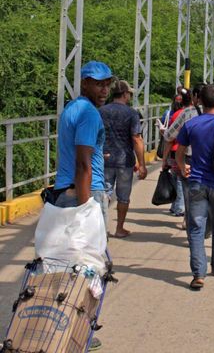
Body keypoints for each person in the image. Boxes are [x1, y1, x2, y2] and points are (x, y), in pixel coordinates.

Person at [54, 60, 113, 352]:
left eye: (107, 84)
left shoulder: (71, 108)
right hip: (85, 194)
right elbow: (83, 164)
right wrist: (86, 207)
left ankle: (59, 323)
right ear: (84, 83)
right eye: (97, 83)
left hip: (63, 192)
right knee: (90, 267)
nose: (103, 89)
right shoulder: (89, 114)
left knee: (67, 263)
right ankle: (80, 331)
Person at [176, 85, 214, 290]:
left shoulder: (191, 124)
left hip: (197, 182)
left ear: (199, 101)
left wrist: (183, 168)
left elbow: (179, 152)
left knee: (196, 229)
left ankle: (199, 274)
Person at [100, 79, 147, 239]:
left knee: (104, 193)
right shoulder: (131, 113)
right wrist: (142, 164)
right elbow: (136, 139)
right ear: (125, 94)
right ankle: (119, 228)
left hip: (104, 158)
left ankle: (101, 230)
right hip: (124, 160)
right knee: (123, 197)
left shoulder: (101, 111)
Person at [162, 88, 192, 217]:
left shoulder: (177, 115)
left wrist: (164, 158)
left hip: (176, 151)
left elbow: (169, 138)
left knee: (177, 179)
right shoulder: (194, 114)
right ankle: (178, 206)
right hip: (187, 152)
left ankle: (178, 206)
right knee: (180, 179)